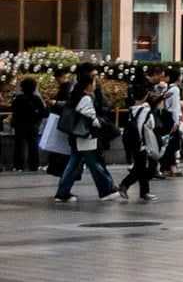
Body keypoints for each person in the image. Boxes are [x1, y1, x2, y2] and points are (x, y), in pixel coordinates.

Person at [51, 66, 116, 205]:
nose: (95, 84)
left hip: (76, 136)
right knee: (94, 163)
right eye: (93, 82)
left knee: (74, 164)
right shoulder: (86, 98)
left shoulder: (75, 96)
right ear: (88, 85)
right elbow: (90, 115)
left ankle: (62, 193)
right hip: (85, 136)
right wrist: (98, 123)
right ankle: (107, 190)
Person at [118, 85, 160, 204]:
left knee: (140, 167)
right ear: (145, 95)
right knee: (144, 169)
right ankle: (125, 185)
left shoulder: (131, 108)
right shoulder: (145, 110)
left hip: (133, 142)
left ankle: (144, 192)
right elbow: (150, 125)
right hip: (142, 143)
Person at [8, 74, 43, 173]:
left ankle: (19, 165)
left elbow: (14, 111)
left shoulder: (18, 99)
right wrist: (37, 118)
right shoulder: (36, 98)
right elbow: (44, 112)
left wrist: (13, 123)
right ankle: (34, 165)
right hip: (32, 125)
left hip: (20, 125)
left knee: (19, 145)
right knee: (33, 145)